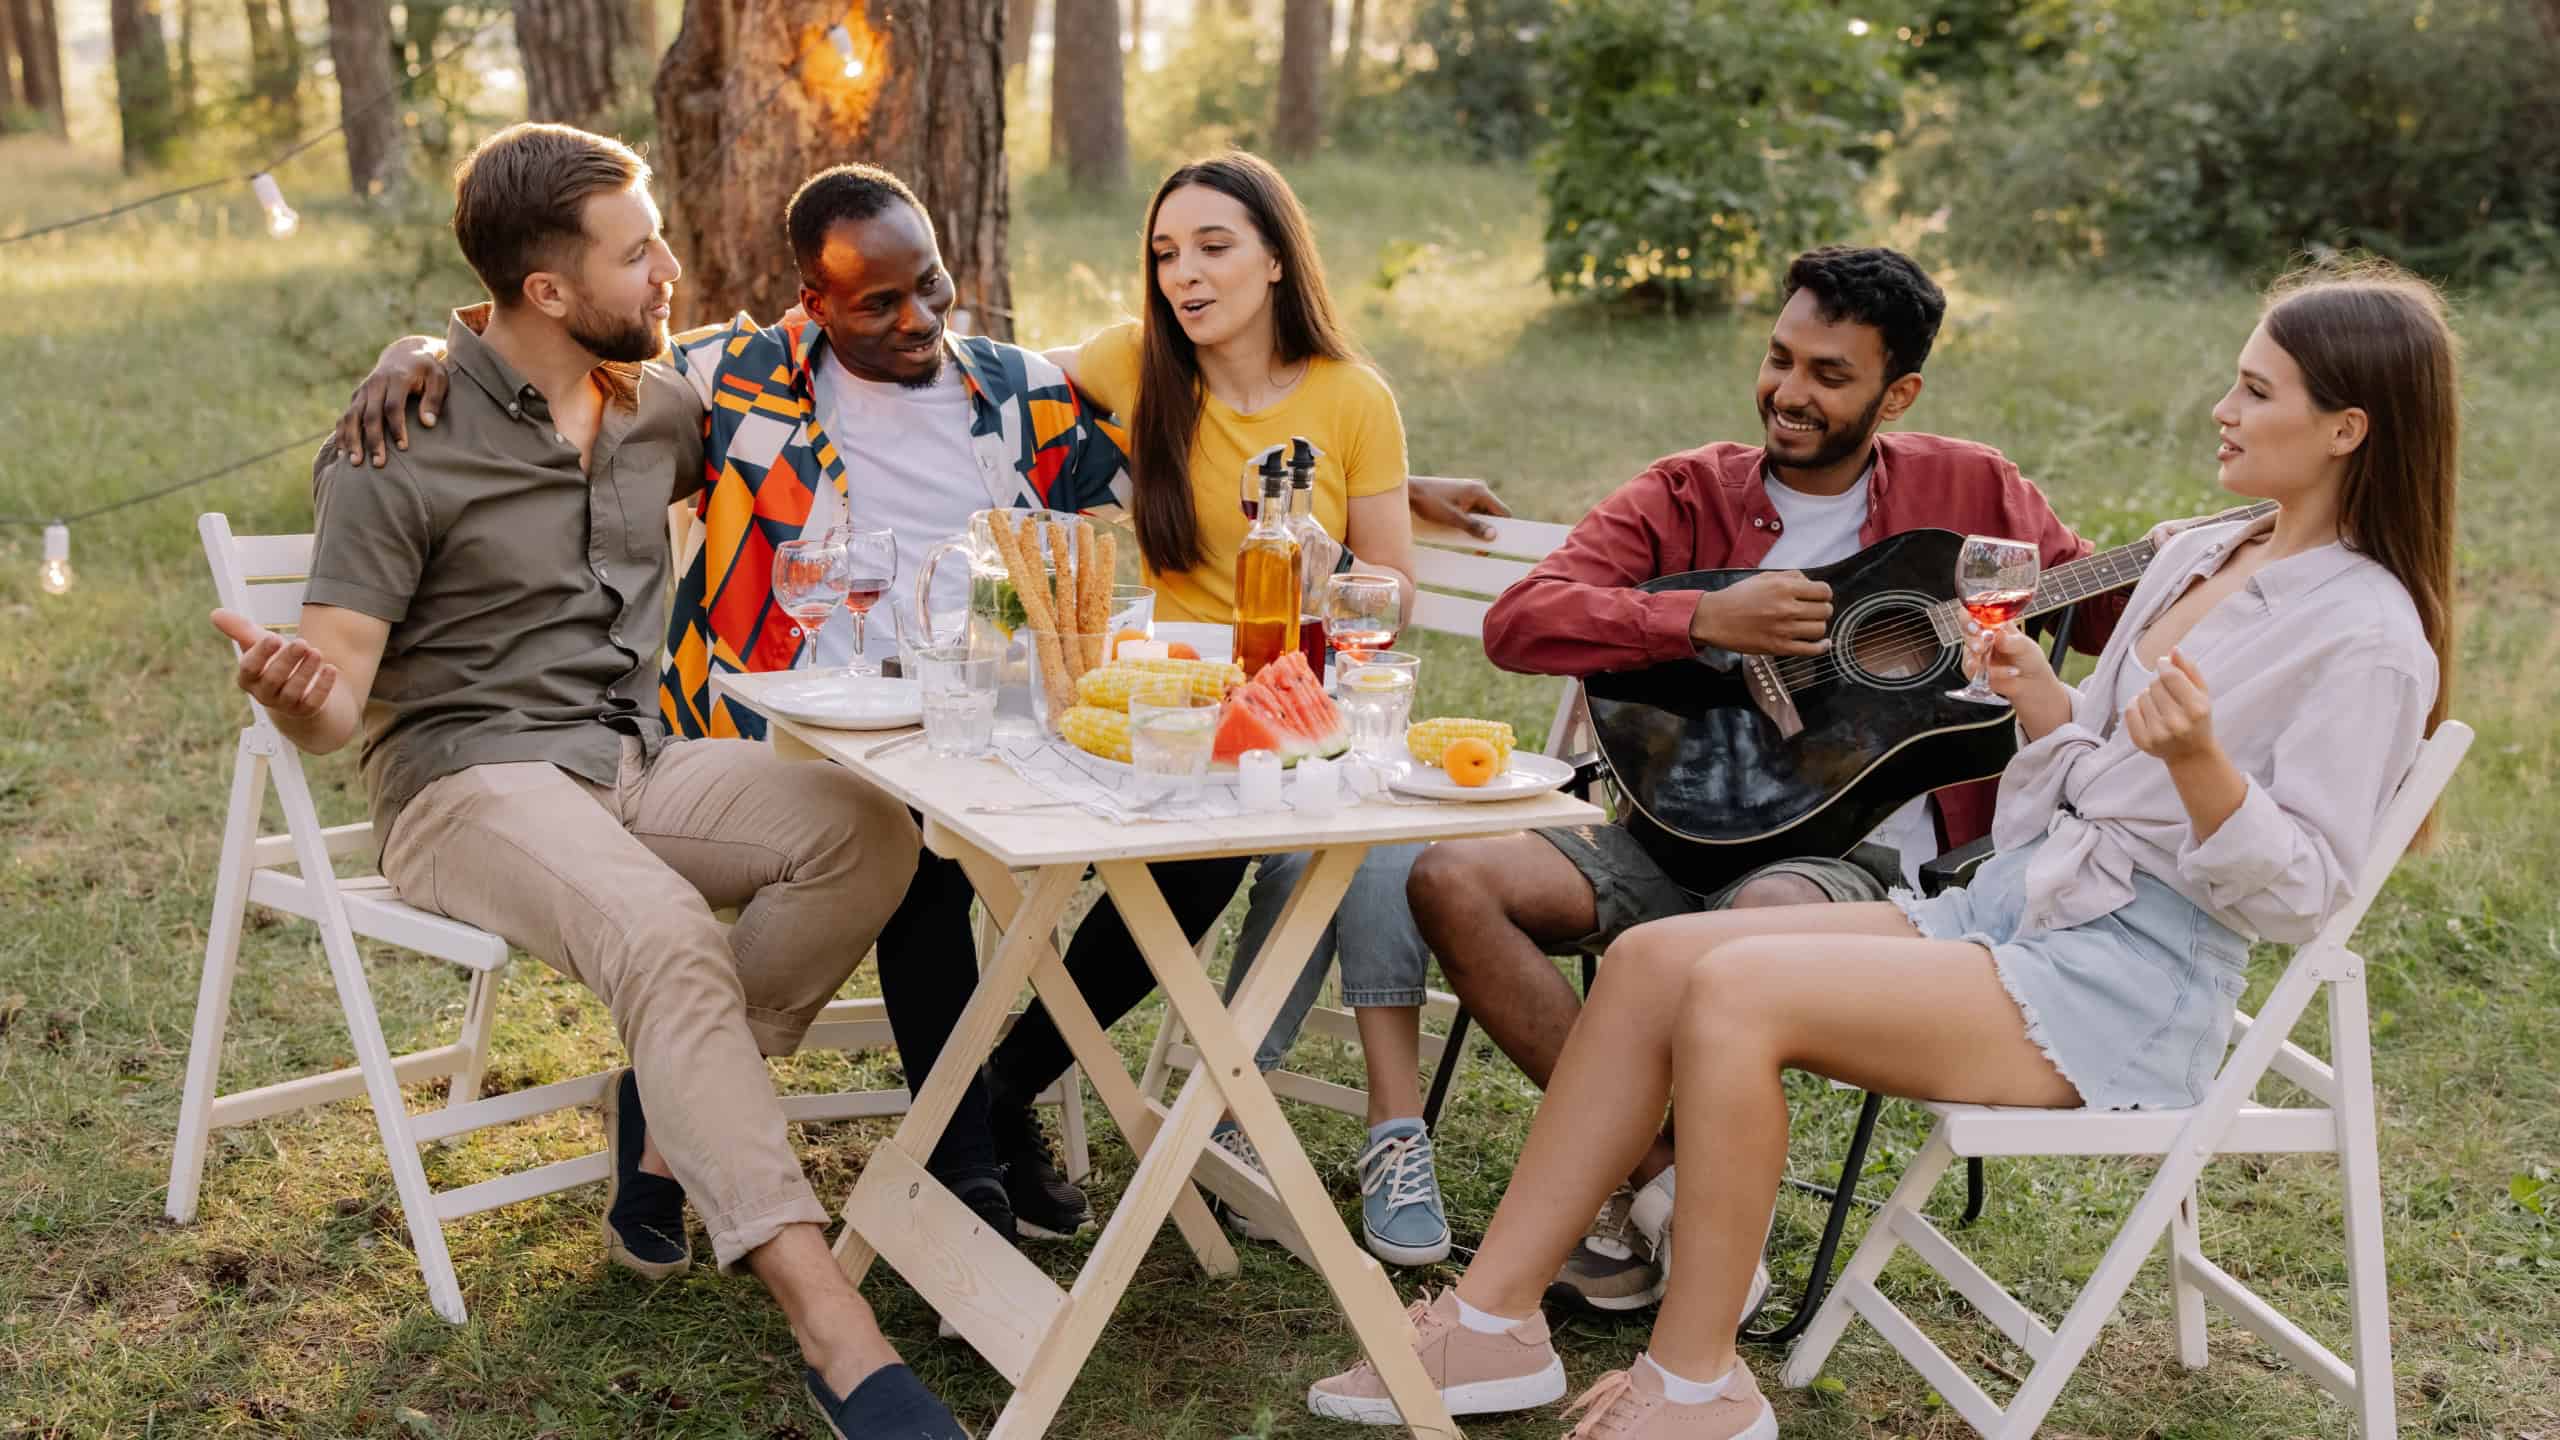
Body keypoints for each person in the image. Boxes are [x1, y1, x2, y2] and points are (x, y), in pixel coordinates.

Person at [1306, 263, 2459, 1438]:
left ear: (2344, 429)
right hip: (2022, 908)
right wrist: (2044, 703)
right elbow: (2081, 765)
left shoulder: (2366, 635)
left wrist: (2202, 768)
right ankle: (1493, 1325)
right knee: (1659, 959)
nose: (2222, 408)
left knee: (1735, 988)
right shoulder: (2203, 550)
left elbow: (2301, 893)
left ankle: (1698, 1383)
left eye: (2255, 391)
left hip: (2127, 976)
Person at [334, 158, 1508, 1250]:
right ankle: (961, 1172)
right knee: (922, 856)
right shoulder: (737, 383)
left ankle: (994, 1093)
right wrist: (416, 351)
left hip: (1006, 707)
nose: (916, 321)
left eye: (933, 288)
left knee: (1185, 859)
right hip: (812, 721)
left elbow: (1220, 434)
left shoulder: (1019, 392)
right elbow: (537, 349)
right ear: (814, 301)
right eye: (876, 303)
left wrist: (1404, 485)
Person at [219, 124, 963, 1439]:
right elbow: (337, 694)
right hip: (464, 783)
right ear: (548, 292)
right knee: (669, 939)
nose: (671, 267)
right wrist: (302, 692)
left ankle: (666, 1106)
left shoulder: (660, 401)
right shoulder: (404, 441)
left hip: (631, 761)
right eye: (640, 253)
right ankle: (839, 1340)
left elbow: (860, 356)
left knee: (867, 830)